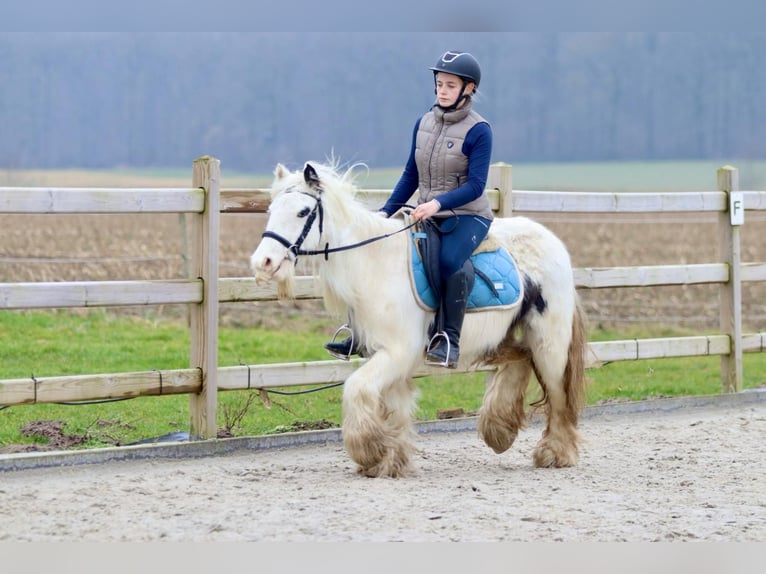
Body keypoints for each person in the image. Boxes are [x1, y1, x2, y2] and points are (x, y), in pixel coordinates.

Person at [324, 50, 493, 368]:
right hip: (424, 212)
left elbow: (476, 186)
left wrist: (438, 203)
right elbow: (410, 175)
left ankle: (448, 339)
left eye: (450, 85)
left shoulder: (479, 131)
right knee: (373, 248)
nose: (442, 90)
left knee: (448, 262)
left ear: (468, 89)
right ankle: (359, 335)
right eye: (440, 83)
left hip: (468, 215)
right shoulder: (424, 123)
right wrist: (386, 212)